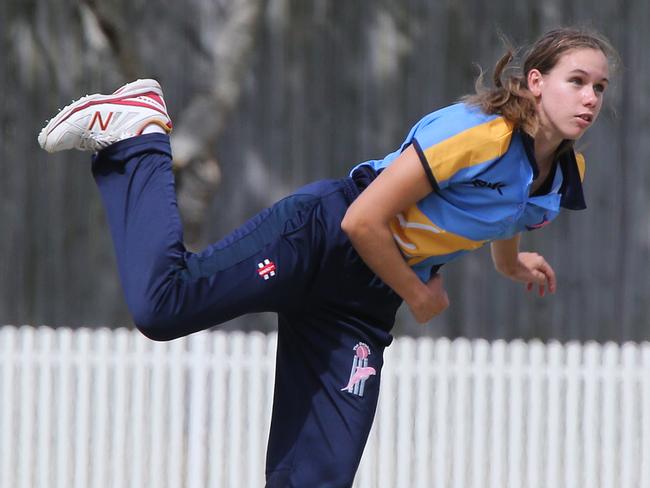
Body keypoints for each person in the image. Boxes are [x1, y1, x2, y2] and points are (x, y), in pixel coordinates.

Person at [38, 27, 616, 487]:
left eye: (600, 88)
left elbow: (512, 212)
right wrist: (418, 293)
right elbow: (361, 219)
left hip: (362, 301)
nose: (590, 97)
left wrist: (511, 264)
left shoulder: (564, 179)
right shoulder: (479, 133)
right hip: (320, 240)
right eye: (577, 80)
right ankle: (138, 134)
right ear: (536, 82)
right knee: (164, 305)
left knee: (318, 476)